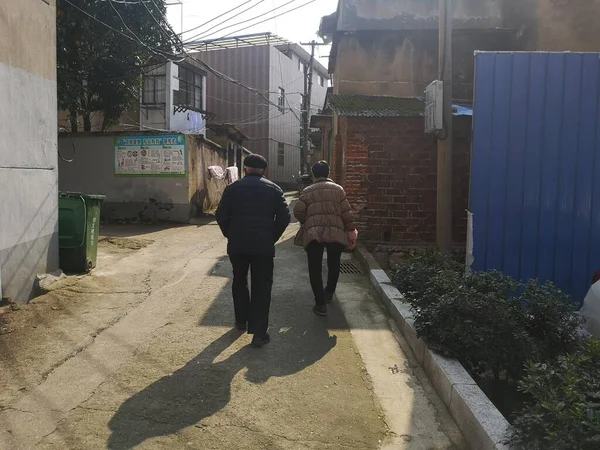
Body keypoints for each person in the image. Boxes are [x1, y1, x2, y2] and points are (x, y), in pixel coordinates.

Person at [216, 154, 291, 347]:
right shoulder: (274, 189)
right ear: (264, 170)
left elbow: (221, 215)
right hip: (263, 247)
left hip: (237, 246)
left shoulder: (232, 189)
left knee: (239, 281)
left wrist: (231, 234)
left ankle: (241, 321)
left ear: (245, 168)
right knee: (262, 286)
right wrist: (271, 237)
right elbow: (284, 218)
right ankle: (259, 333)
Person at [293, 161, 357, 317]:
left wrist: (308, 221)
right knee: (334, 263)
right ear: (329, 173)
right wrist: (350, 231)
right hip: (335, 233)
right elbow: (346, 213)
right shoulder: (338, 190)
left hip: (314, 233)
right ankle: (329, 293)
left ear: (313, 175)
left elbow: (298, 212)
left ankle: (320, 304)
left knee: (315, 268)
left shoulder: (307, 191)